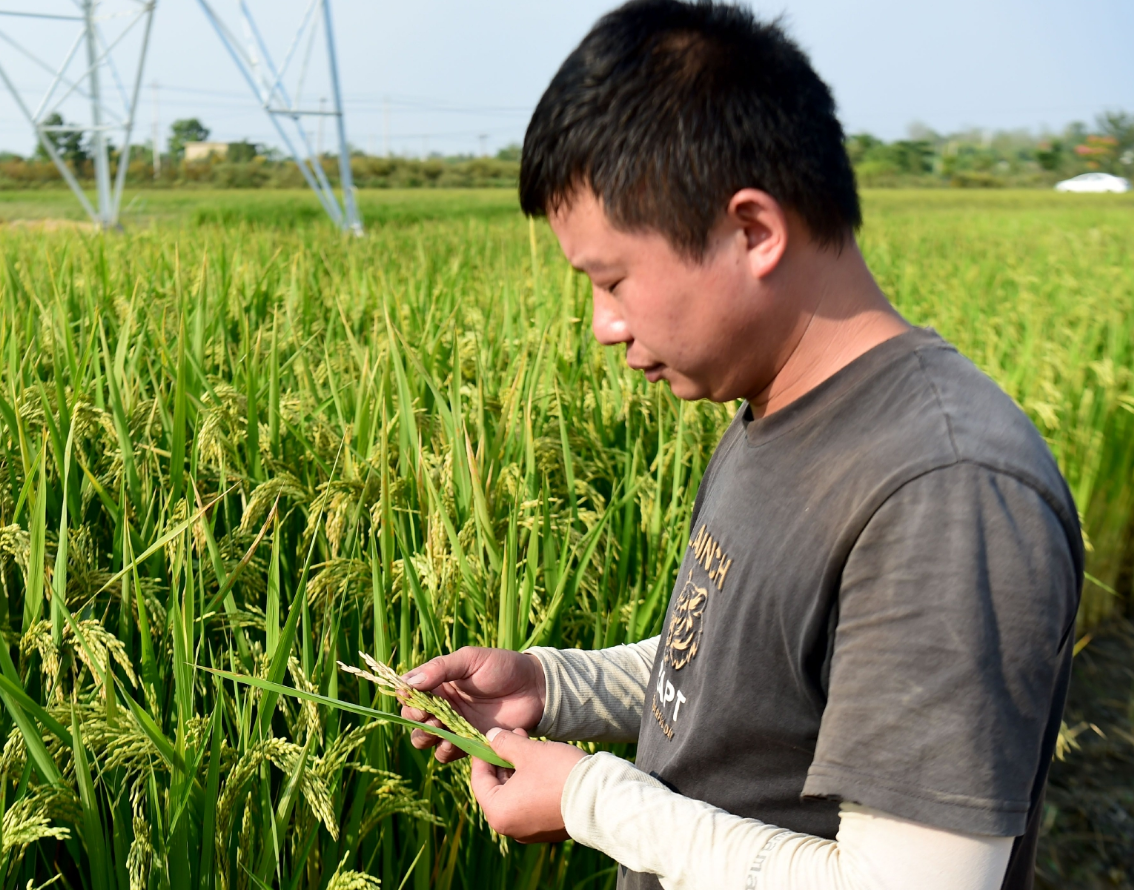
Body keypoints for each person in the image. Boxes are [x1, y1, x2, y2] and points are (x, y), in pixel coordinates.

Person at [397, 2, 1083, 888]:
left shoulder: (945, 492)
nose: (602, 326)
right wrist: (552, 684)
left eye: (611, 280)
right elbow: (731, 670)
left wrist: (590, 802)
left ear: (752, 231)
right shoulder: (776, 411)